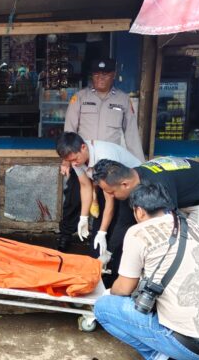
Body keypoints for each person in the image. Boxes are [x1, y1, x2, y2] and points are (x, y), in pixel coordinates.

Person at [94, 182, 199, 360]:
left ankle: (158, 356)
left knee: (102, 308)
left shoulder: (137, 232)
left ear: (139, 211)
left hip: (190, 345)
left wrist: (108, 293)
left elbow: (125, 287)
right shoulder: (191, 226)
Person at [57, 58, 145, 252]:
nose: (100, 78)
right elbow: (69, 131)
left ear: (113, 75)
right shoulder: (80, 97)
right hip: (80, 159)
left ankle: (99, 238)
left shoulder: (122, 100)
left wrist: (141, 166)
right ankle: (65, 236)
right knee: (73, 200)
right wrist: (66, 161)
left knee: (107, 201)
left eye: (105, 74)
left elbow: (131, 134)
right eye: (96, 74)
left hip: (108, 166)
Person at [55, 132, 142, 286]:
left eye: (75, 160)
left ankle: (115, 280)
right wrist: (83, 217)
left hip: (129, 188)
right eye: (70, 162)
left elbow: (110, 198)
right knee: (97, 236)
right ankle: (98, 273)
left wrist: (103, 231)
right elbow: (85, 185)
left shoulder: (104, 156)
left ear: (83, 147)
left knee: (118, 231)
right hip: (107, 188)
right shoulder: (77, 158)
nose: (74, 164)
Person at [92, 157, 199, 240]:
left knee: (191, 244)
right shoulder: (132, 177)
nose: (109, 196)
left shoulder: (158, 186)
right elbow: (124, 222)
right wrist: (109, 249)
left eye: (110, 192)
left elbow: (168, 226)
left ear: (124, 185)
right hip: (185, 194)